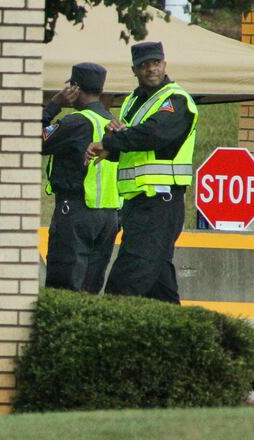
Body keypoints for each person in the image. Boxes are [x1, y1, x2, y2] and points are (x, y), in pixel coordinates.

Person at [85, 42, 199, 304]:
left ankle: (112, 327)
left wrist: (112, 141)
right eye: (144, 65)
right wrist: (113, 143)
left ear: (164, 65)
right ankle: (176, 329)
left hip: (160, 203)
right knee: (159, 288)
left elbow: (154, 134)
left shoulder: (175, 99)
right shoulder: (132, 102)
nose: (151, 69)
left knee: (125, 283)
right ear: (134, 70)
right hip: (138, 205)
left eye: (156, 63)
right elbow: (132, 147)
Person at [42, 63, 120, 293]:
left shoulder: (76, 121)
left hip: (76, 211)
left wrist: (54, 105)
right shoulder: (110, 121)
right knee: (90, 288)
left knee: (64, 286)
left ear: (74, 88)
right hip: (108, 217)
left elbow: (32, 139)